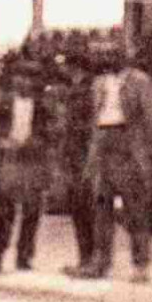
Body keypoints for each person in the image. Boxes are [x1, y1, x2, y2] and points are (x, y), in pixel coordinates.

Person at [72, 40, 152, 283]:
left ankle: (141, 265)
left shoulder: (140, 81)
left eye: (114, 53)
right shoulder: (99, 84)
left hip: (127, 142)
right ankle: (101, 261)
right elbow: (94, 119)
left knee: (135, 208)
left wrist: (142, 150)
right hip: (103, 142)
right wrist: (93, 152)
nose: (108, 58)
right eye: (105, 54)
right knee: (101, 206)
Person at [0, 59, 51, 273]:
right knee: (5, 211)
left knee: (32, 211)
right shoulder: (1, 102)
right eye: (20, 77)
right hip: (8, 159)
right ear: (13, 79)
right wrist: (0, 141)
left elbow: (49, 132)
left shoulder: (42, 105)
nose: (24, 82)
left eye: (30, 78)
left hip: (32, 160)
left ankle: (25, 256)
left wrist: (37, 142)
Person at [57, 54, 98, 275]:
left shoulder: (85, 91)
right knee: (79, 208)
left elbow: (85, 127)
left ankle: (89, 259)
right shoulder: (78, 90)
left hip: (81, 157)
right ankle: (85, 259)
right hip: (75, 156)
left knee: (84, 209)